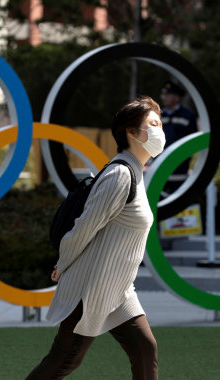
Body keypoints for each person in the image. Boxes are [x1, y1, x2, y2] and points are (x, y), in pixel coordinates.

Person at [26, 96, 164, 380]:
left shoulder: (135, 173)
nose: (159, 130)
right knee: (65, 360)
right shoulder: (120, 175)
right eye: (152, 124)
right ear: (131, 132)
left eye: (160, 124)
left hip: (118, 289)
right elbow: (84, 228)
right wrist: (63, 264)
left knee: (145, 349)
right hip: (91, 288)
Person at [159, 80, 198, 194]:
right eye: (163, 94)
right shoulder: (158, 115)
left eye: (168, 94)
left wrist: (182, 159)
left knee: (179, 209)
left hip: (179, 174)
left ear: (177, 97)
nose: (164, 97)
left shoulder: (188, 115)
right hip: (159, 172)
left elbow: (193, 142)